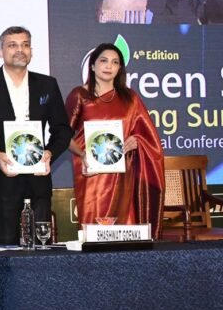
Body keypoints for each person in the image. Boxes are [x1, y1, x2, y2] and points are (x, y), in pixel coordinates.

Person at [0, 26, 72, 246]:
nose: (20, 50)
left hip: (38, 182)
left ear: (31, 51)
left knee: (40, 248)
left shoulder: (47, 84)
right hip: (1, 182)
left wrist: (49, 153)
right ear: (1, 52)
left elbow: (63, 129)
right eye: (12, 45)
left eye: (25, 45)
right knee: (6, 249)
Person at [65, 43, 165, 225]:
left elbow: (149, 138)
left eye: (115, 62)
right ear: (93, 66)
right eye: (103, 61)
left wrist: (137, 141)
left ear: (120, 68)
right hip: (92, 173)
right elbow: (63, 135)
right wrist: (83, 154)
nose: (109, 66)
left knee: (125, 226)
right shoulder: (80, 95)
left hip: (123, 174)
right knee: (95, 228)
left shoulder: (130, 98)